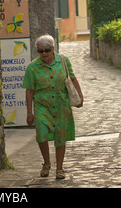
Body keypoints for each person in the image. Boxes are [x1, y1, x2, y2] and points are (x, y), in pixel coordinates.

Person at [22, 34, 83, 180]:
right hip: (42, 106)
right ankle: (46, 163)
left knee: (60, 136)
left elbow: (72, 78)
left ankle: (60, 168)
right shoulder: (32, 67)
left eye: (46, 50)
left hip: (61, 105)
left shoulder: (63, 61)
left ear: (53, 49)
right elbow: (29, 90)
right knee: (41, 134)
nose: (44, 53)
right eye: (40, 51)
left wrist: (80, 95)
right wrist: (29, 112)